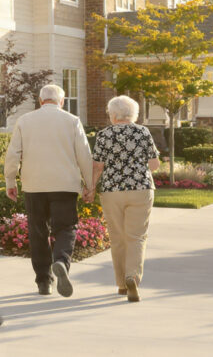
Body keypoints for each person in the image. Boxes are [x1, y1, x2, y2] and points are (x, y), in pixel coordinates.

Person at [4, 84, 94, 297]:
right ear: (62, 101)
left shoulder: (24, 120)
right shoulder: (72, 121)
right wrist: (89, 185)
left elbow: (13, 153)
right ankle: (61, 260)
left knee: (38, 231)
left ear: (40, 100)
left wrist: (10, 181)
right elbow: (84, 154)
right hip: (65, 185)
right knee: (66, 227)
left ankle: (44, 282)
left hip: (34, 185)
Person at [87, 95, 160, 303]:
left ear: (113, 114)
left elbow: (97, 166)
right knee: (136, 237)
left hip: (112, 190)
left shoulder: (104, 134)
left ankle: (121, 283)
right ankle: (132, 277)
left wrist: (90, 188)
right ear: (133, 114)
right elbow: (154, 165)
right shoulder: (143, 132)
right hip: (141, 189)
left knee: (117, 237)